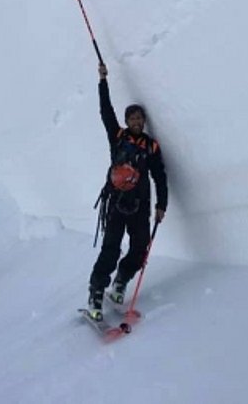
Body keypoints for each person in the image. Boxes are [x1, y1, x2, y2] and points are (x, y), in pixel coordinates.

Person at [87, 61, 168, 320]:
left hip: (141, 204)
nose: (136, 121)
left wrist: (161, 205)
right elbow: (105, 111)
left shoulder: (151, 146)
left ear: (144, 121)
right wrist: (102, 81)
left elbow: (160, 176)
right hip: (116, 202)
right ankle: (96, 294)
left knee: (140, 247)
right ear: (126, 121)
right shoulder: (118, 136)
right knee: (110, 248)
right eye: (132, 118)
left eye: (139, 118)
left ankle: (121, 281)